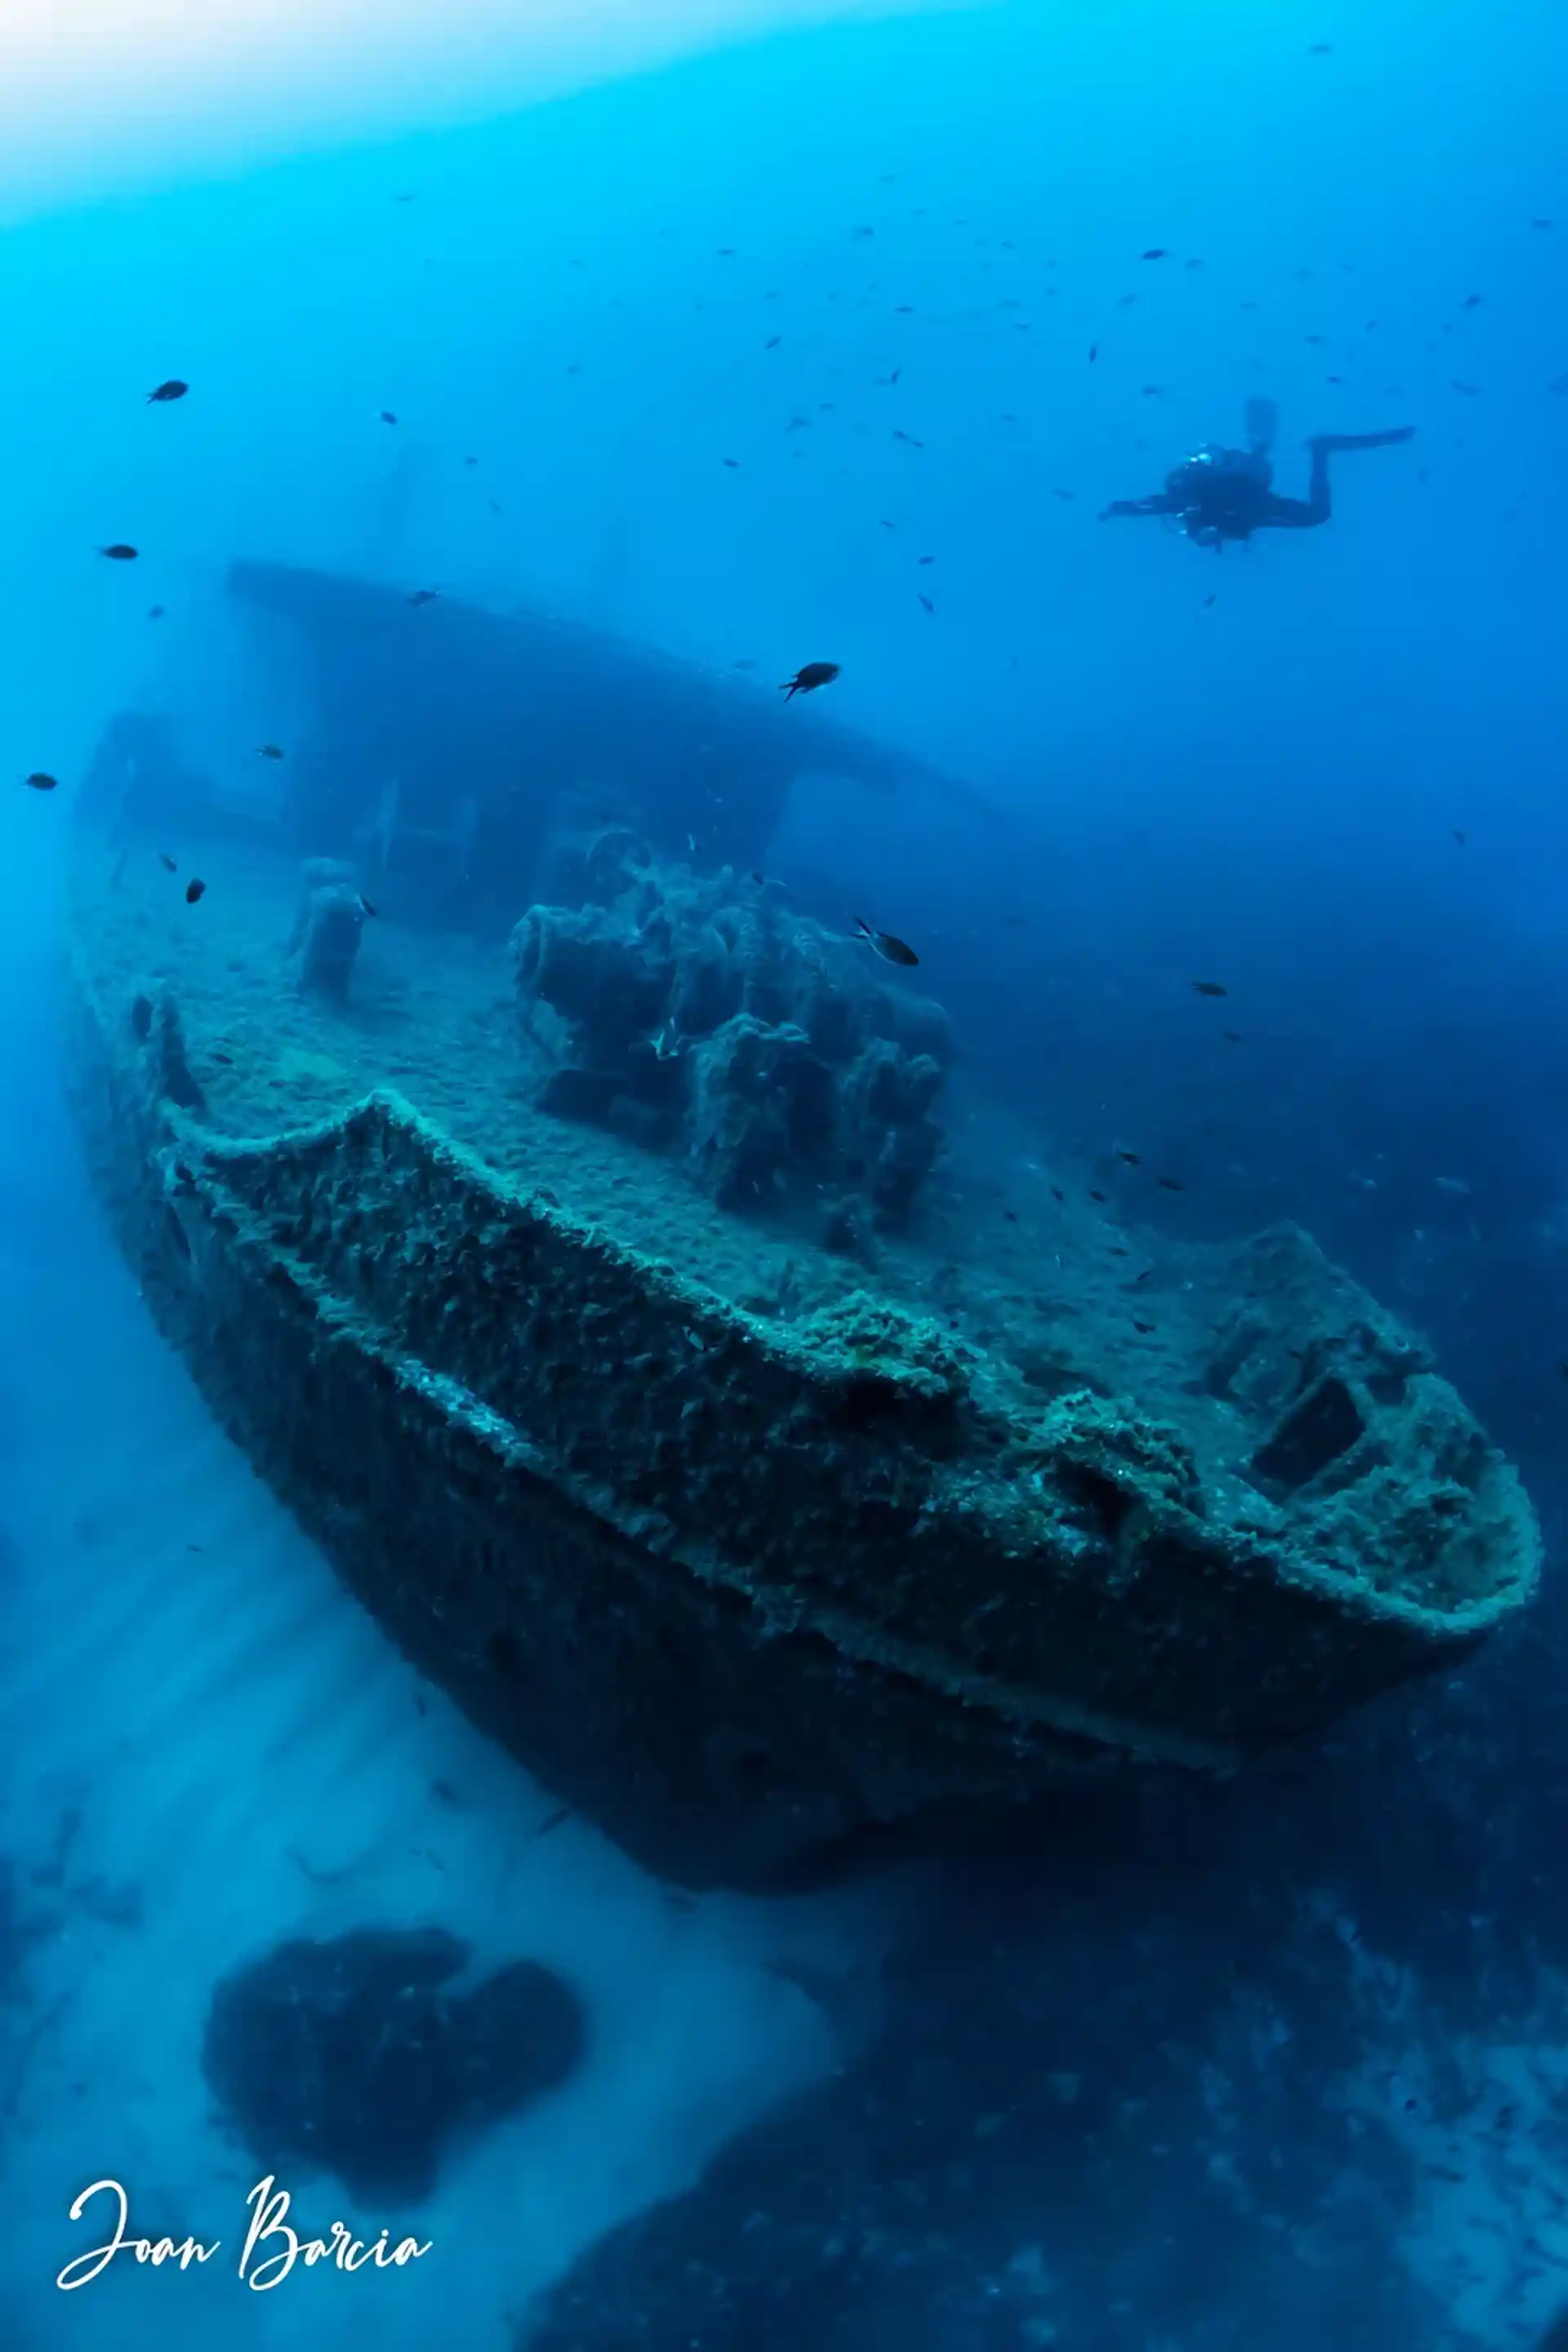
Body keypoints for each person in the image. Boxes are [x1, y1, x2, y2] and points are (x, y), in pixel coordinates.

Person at [1099, 397, 1414, 550]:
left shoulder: (1187, 505)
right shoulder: (1211, 520)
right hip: (1255, 500)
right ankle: (1321, 449)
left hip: (1245, 490)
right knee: (1316, 516)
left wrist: (1118, 509)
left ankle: (1314, 448)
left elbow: (1153, 505)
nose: (1207, 538)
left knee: (1314, 515)